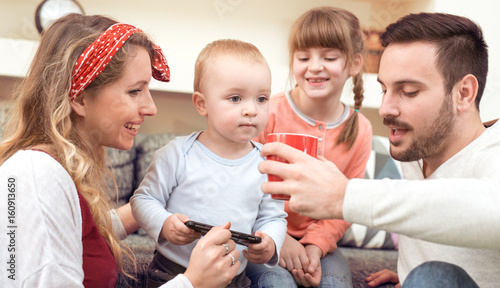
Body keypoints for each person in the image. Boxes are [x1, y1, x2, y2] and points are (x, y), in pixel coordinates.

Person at [257, 12, 500, 288]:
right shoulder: (417, 149)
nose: (385, 110)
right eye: (384, 89)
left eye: (408, 91)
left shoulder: (493, 150)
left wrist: (344, 195)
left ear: (464, 93)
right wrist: (411, 275)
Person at [0, 13, 240, 288]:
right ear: (79, 97)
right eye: (135, 91)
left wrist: (152, 205)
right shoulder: (37, 176)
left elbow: (77, 234)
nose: (151, 108)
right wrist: (192, 282)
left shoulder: (45, 173)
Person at [130, 39, 288, 288]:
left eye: (261, 98)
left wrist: (270, 241)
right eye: (236, 98)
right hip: (173, 273)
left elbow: (275, 218)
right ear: (202, 104)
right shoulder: (177, 154)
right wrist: (164, 224)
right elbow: (142, 200)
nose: (251, 110)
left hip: (234, 277)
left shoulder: (268, 164)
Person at [247, 6, 372, 288]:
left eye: (329, 57)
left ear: (353, 64)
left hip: (321, 244)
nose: (314, 66)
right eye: (304, 57)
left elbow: (345, 206)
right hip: (264, 234)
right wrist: (282, 239)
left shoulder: (361, 129)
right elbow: (244, 184)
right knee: (275, 283)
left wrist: (314, 247)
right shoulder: (267, 112)